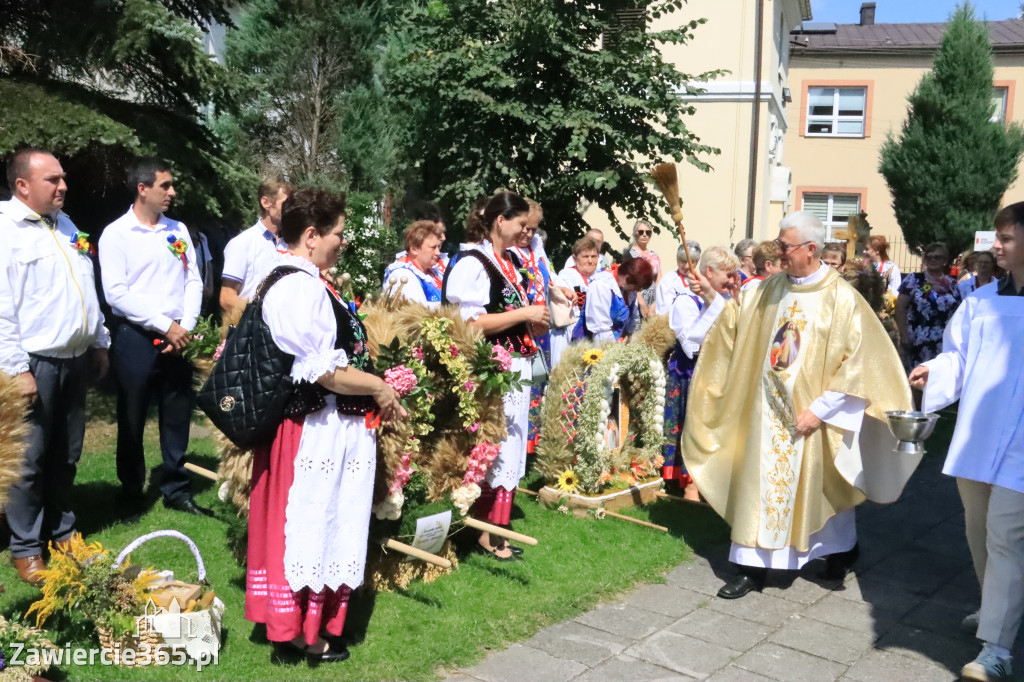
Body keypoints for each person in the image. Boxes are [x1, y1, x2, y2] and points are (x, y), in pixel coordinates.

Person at [681, 211, 913, 599]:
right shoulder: (767, 290)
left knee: (823, 486)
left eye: (785, 246)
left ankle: (842, 552)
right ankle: (750, 568)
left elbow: (858, 365)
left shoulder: (841, 298)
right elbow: (736, 323)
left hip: (815, 414)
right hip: (765, 411)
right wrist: (710, 294)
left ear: (809, 249)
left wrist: (821, 411)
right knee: (759, 484)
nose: (779, 251)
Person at [244, 187, 403, 663]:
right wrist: (377, 385)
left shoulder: (301, 276)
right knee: (314, 522)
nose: (342, 242)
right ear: (311, 236)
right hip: (314, 424)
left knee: (321, 522)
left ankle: (303, 627)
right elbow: (321, 370)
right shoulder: (299, 285)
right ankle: (299, 633)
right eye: (337, 233)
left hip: (321, 421)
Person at [909, 202, 1024, 682]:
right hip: (980, 434)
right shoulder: (982, 300)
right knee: (978, 530)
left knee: (1006, 535)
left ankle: (996, 647)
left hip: (1021, 445)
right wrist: (932, 370)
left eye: (1006, 238)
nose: (995, 245)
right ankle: (996, 604)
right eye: (996, 237)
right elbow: (958, 355)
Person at [0, 149, 110, 585]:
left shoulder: (65, 225)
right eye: (53, 180)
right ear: (22, 185)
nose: (63, 186)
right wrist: (15, 368)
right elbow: (2, 307)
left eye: (63, 178)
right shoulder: (6, 231)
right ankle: (25, 548)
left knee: (67, 453)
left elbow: (86, 286)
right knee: (28, 459)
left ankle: (63, 533)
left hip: (75, 358)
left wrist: (99, 341)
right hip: (33, 364)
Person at [443, 191, 549, 561]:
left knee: (512, 443)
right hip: (492, 367)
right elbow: (471, 324)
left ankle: (497, 526)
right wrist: (524, 315)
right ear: (499, 221)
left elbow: (512, 313)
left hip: (514, 364)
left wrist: (532, 324)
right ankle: (482, 528)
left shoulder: (509, 262)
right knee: (493, 442)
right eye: (520, 224)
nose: (525, 232)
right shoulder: (473, 262)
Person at [99, 158, 208, 517]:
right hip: (137, 336)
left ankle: (176, 487)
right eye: (165, 186)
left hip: (179, 335)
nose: (172, 192)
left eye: (171, 185)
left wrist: (185, 325)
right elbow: (116, 294)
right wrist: (164, 325)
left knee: (177, 409)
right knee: (132, 413)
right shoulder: (117, 234)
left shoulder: (177, 230)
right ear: (142, 189)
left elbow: (193, 279)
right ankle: (132, 490)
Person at [663, 246, 738, 501]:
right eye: (727, 275)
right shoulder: (686, 301)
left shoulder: (728, 300)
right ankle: (690, 486)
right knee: (692, 430)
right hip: (690, 375)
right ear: (709, 272)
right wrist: (712, 308)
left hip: (719, 377)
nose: (731, 280)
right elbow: (693, 345)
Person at [220, 179, 292, 312]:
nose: (290, 209)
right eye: (285, 204)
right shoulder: (242, 244)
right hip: (253, 329)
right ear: (266, 203)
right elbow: (226, 298)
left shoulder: (292, 244)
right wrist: (262, 313)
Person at [895, 242, 962, 370]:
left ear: (945, 260)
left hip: (945, 342)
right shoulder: (914, 279)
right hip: (918, 340)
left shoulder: (952, 284)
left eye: (937, 257)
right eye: (929, 256)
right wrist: (904, 336)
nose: (932, 259)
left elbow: (958, 312)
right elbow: (900, 308)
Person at [577, 258, 654, 342]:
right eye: (636, 287)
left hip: (619, 346)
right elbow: (600, 328)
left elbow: (634, 320)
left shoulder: (628, 289)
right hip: (594, 347)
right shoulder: (601, 285)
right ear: (627, 279)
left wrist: (633, 341)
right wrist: (616, 348)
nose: (637, 291)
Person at [551, 236, 600, 368]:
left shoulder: (601, 278)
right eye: (585, 256)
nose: (590, 261)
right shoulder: (566, 276)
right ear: (574, 258)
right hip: (567, 336)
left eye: (594, 256)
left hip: (591, 338)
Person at [387, 220, 445, 308]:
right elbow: (415, 310)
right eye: (433, 248)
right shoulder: (403, 275)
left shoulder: (433, 272)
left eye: (439, 247)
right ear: (414, 249)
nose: (438, 253)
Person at [621, 221, 662, 316]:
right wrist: (642, 303)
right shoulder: (629, 255)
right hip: (635, 301)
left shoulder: (654, 255)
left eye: (648, 232)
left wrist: (655, 302)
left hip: (653, 301)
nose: (644, 235)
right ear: (635, 233)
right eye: (641, 232)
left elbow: (659, 279)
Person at [655, 241, 701, 314]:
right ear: (677, 260)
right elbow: (664, 311)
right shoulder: (669, 280)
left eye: (690, 262)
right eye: (683, 261)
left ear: (696, 262)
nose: (686, 266)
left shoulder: (701, 280)